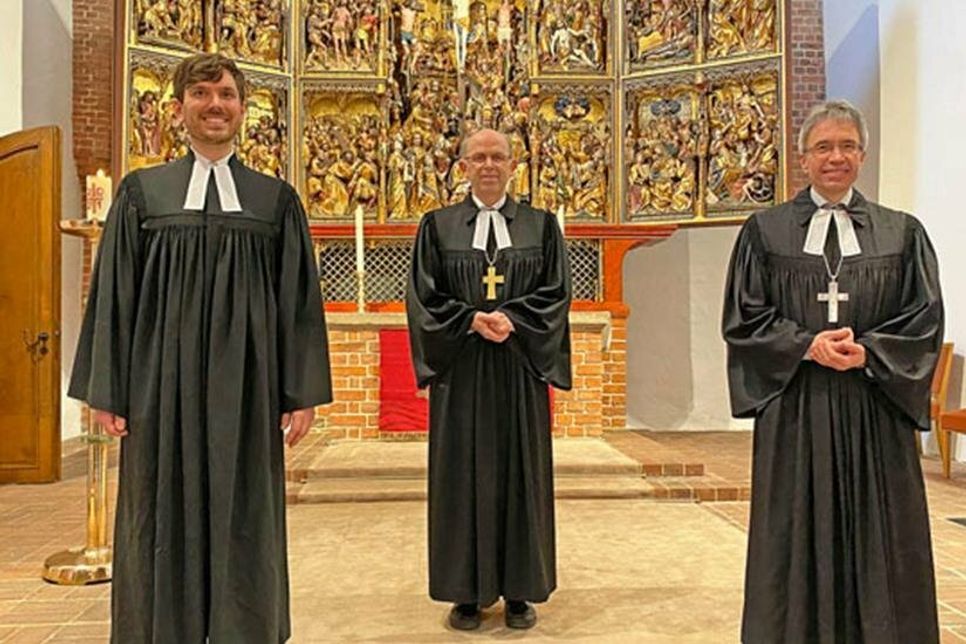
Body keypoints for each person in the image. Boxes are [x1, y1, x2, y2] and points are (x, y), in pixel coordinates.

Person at [69, 53, 332, 643]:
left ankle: (244, 629)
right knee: (158, 512)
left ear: (244, 108)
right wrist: (106, 391)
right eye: (202, 93)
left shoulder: (274, 200)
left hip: (247, 390)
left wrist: (300, 393)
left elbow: (297, 303)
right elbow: (113, 296)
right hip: (158, 389)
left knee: (246, 512)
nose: (216, 104)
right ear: (179, 107)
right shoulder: (143, 194)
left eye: (228, 94)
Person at [722, 99, 943, 643]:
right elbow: (743, 317)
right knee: (796, 529)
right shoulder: (765, 232)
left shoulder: (902, 233)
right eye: (823, 147)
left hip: (875, 411)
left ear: (862, 155)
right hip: (798, 409)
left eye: (846, 146)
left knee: (881, 532)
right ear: (803, 159)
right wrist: (805, 345)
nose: (835, 157)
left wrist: (870, 352)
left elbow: (925, 319)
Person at [406, 128, 572, 631]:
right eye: (477, 157)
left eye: (498, 156)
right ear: (462, 167)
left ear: (513, 164)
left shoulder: (541, 226)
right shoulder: (437, 226)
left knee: (521, 474)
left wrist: (513, 320)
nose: (488, 165)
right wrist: (471, 320)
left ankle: (520, 590)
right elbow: (423, 296)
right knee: (462, 476)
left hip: (518, 368)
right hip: (462, 371)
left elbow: (556, 293)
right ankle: (466, 593)